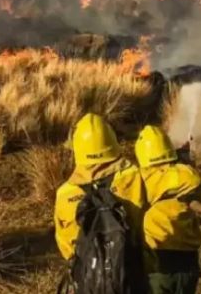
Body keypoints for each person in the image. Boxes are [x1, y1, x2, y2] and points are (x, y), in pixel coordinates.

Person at [54, 113, 147, 293]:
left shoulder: (65, 194)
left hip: (89, 280)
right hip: (131, 276)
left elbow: (67, 247)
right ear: (112, 141)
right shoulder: (133, 176)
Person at [135, 125, 201, 294]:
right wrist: (187, 165)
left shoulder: (138, 180)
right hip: (187, 263)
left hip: (156, 264)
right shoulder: (187, 176)